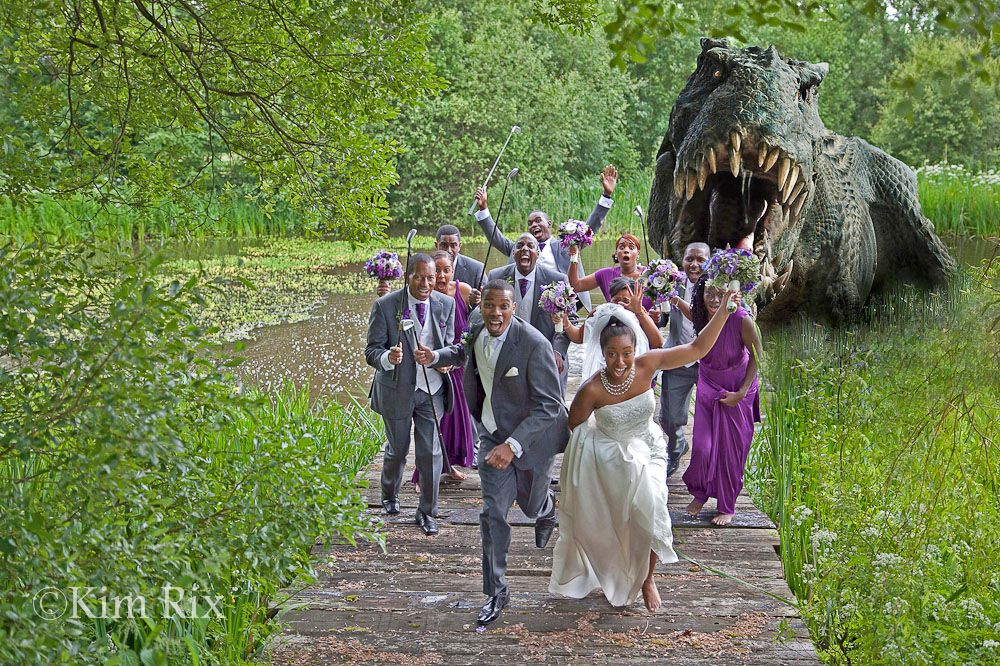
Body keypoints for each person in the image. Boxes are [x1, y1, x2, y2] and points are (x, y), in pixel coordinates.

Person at [548, 287, 737, 611]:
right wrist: (594, 463)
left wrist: (725, 310)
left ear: (635, 349)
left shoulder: (648, 365)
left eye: (626, 353)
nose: (619, 362)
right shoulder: (591, 389)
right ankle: (612, 565)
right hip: (611, 456)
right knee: (621, 521)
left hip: (648, 447)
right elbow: (574, 428)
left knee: (654, 505)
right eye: (611, 354)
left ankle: (648, 579)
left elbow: (697, 347)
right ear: (602, 351)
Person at [465, 279, 568, 627]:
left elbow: (550, 406)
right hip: (492, 437)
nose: (495, 313)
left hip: (533, 443)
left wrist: (514, 445)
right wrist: (435, 357)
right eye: (489, 305)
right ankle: (496, 591)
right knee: (493, 512)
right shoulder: (475, 326)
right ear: (482, 307)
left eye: (503, 307)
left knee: (530, 504)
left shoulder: (534, 344)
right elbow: (466, 354)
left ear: (514, 308)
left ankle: (546, 508)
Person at [364, 254, 461, 536]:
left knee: (430, 453)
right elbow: (372, 351)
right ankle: (389, 495)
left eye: (431, 278)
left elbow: (453, 347)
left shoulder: (447, 304)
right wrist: (387, 357)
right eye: (419, 277)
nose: (426, 283)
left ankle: (427, 512)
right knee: (397, 449)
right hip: (396, 390)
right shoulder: (386, 305)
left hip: (432, 389)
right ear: (408, 276)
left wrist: (437, 357)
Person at [473, 165, 618, 311]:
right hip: (525, 304)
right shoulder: (520, 249)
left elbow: (590, 227)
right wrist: (483, 208)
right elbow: (495, 237)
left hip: (559, 304)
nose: (533, 225)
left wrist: (606, 195)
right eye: (529, 223)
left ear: (549, 224)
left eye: (537, 221)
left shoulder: (567, 245)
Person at [682, 278, 763, 526]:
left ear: (730, 295)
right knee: (702, 447)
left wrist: (741, 392)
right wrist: (673, 300)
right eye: (709, 293)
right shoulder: (699, 314)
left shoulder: (740, 319)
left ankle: (727, 506)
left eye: (721, 294)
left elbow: (758, 354)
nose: (715, 300)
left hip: (738, 388)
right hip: (708, 382)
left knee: (731, 451)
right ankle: (700, 492)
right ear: (700, 293)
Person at [410, 251, 474, 486]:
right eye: (436, 270)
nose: (441, 275)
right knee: (436, 424)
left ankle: (447, 466)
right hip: (433, 368)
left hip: (457, 365)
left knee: (456, 420)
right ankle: (421, 476)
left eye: (446, 270)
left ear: (453, 271)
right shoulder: (426, 298)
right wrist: (436, 362)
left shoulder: (463, 291)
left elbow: (472, 324)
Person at [487, 233, 571, 391]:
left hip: (547, 353)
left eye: (530, 246)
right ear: (513, 253)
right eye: (519, 246)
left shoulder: (557, 279)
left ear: (538, 253)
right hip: (508, 352)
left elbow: (568, 319)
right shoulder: (496, 277)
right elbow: (485, 313)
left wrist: (557, 351)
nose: (524, 249)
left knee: (551, 406)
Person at [659, 242, 711, 477]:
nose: (695, 264)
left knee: (710, 416)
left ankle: (708, 463)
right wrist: (656, 313)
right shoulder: (671, 282)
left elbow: (703, 318)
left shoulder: (716, 287)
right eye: (690, 259)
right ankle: (676, 445)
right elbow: (662, 318)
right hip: (678, 355)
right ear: (683, 260)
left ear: (709, 262)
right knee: (669, 417)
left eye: (701, 260)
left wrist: (677, 302)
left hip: (707, 360)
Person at [555, 277, 663, 380]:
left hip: (633, 368)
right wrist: (566, 322)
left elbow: (658, 342)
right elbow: (579, 337)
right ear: (610, 298)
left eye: (625, 301)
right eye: (616, 300)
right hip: (603, 366)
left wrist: (639, 313)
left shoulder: (639, 312)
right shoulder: (600, 312)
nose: (620, 305)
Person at [566, 233, 653, 310]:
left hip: (644, 325)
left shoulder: (650, 275)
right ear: (616, 254)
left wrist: (658, 315)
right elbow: (575, 286)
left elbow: (662, 302)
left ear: (638, 253)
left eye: (631, 247)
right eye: (622, 247)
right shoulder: (605, 274)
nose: (626, 250)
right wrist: (574, 256)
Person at [436, 224, 483, 305]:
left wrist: (479, 300)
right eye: (444, 245)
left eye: (453, 245)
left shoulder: (476, 268)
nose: (449, 250)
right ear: (436, 245)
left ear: (459, 246)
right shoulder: (427, 266)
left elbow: (487, 298)